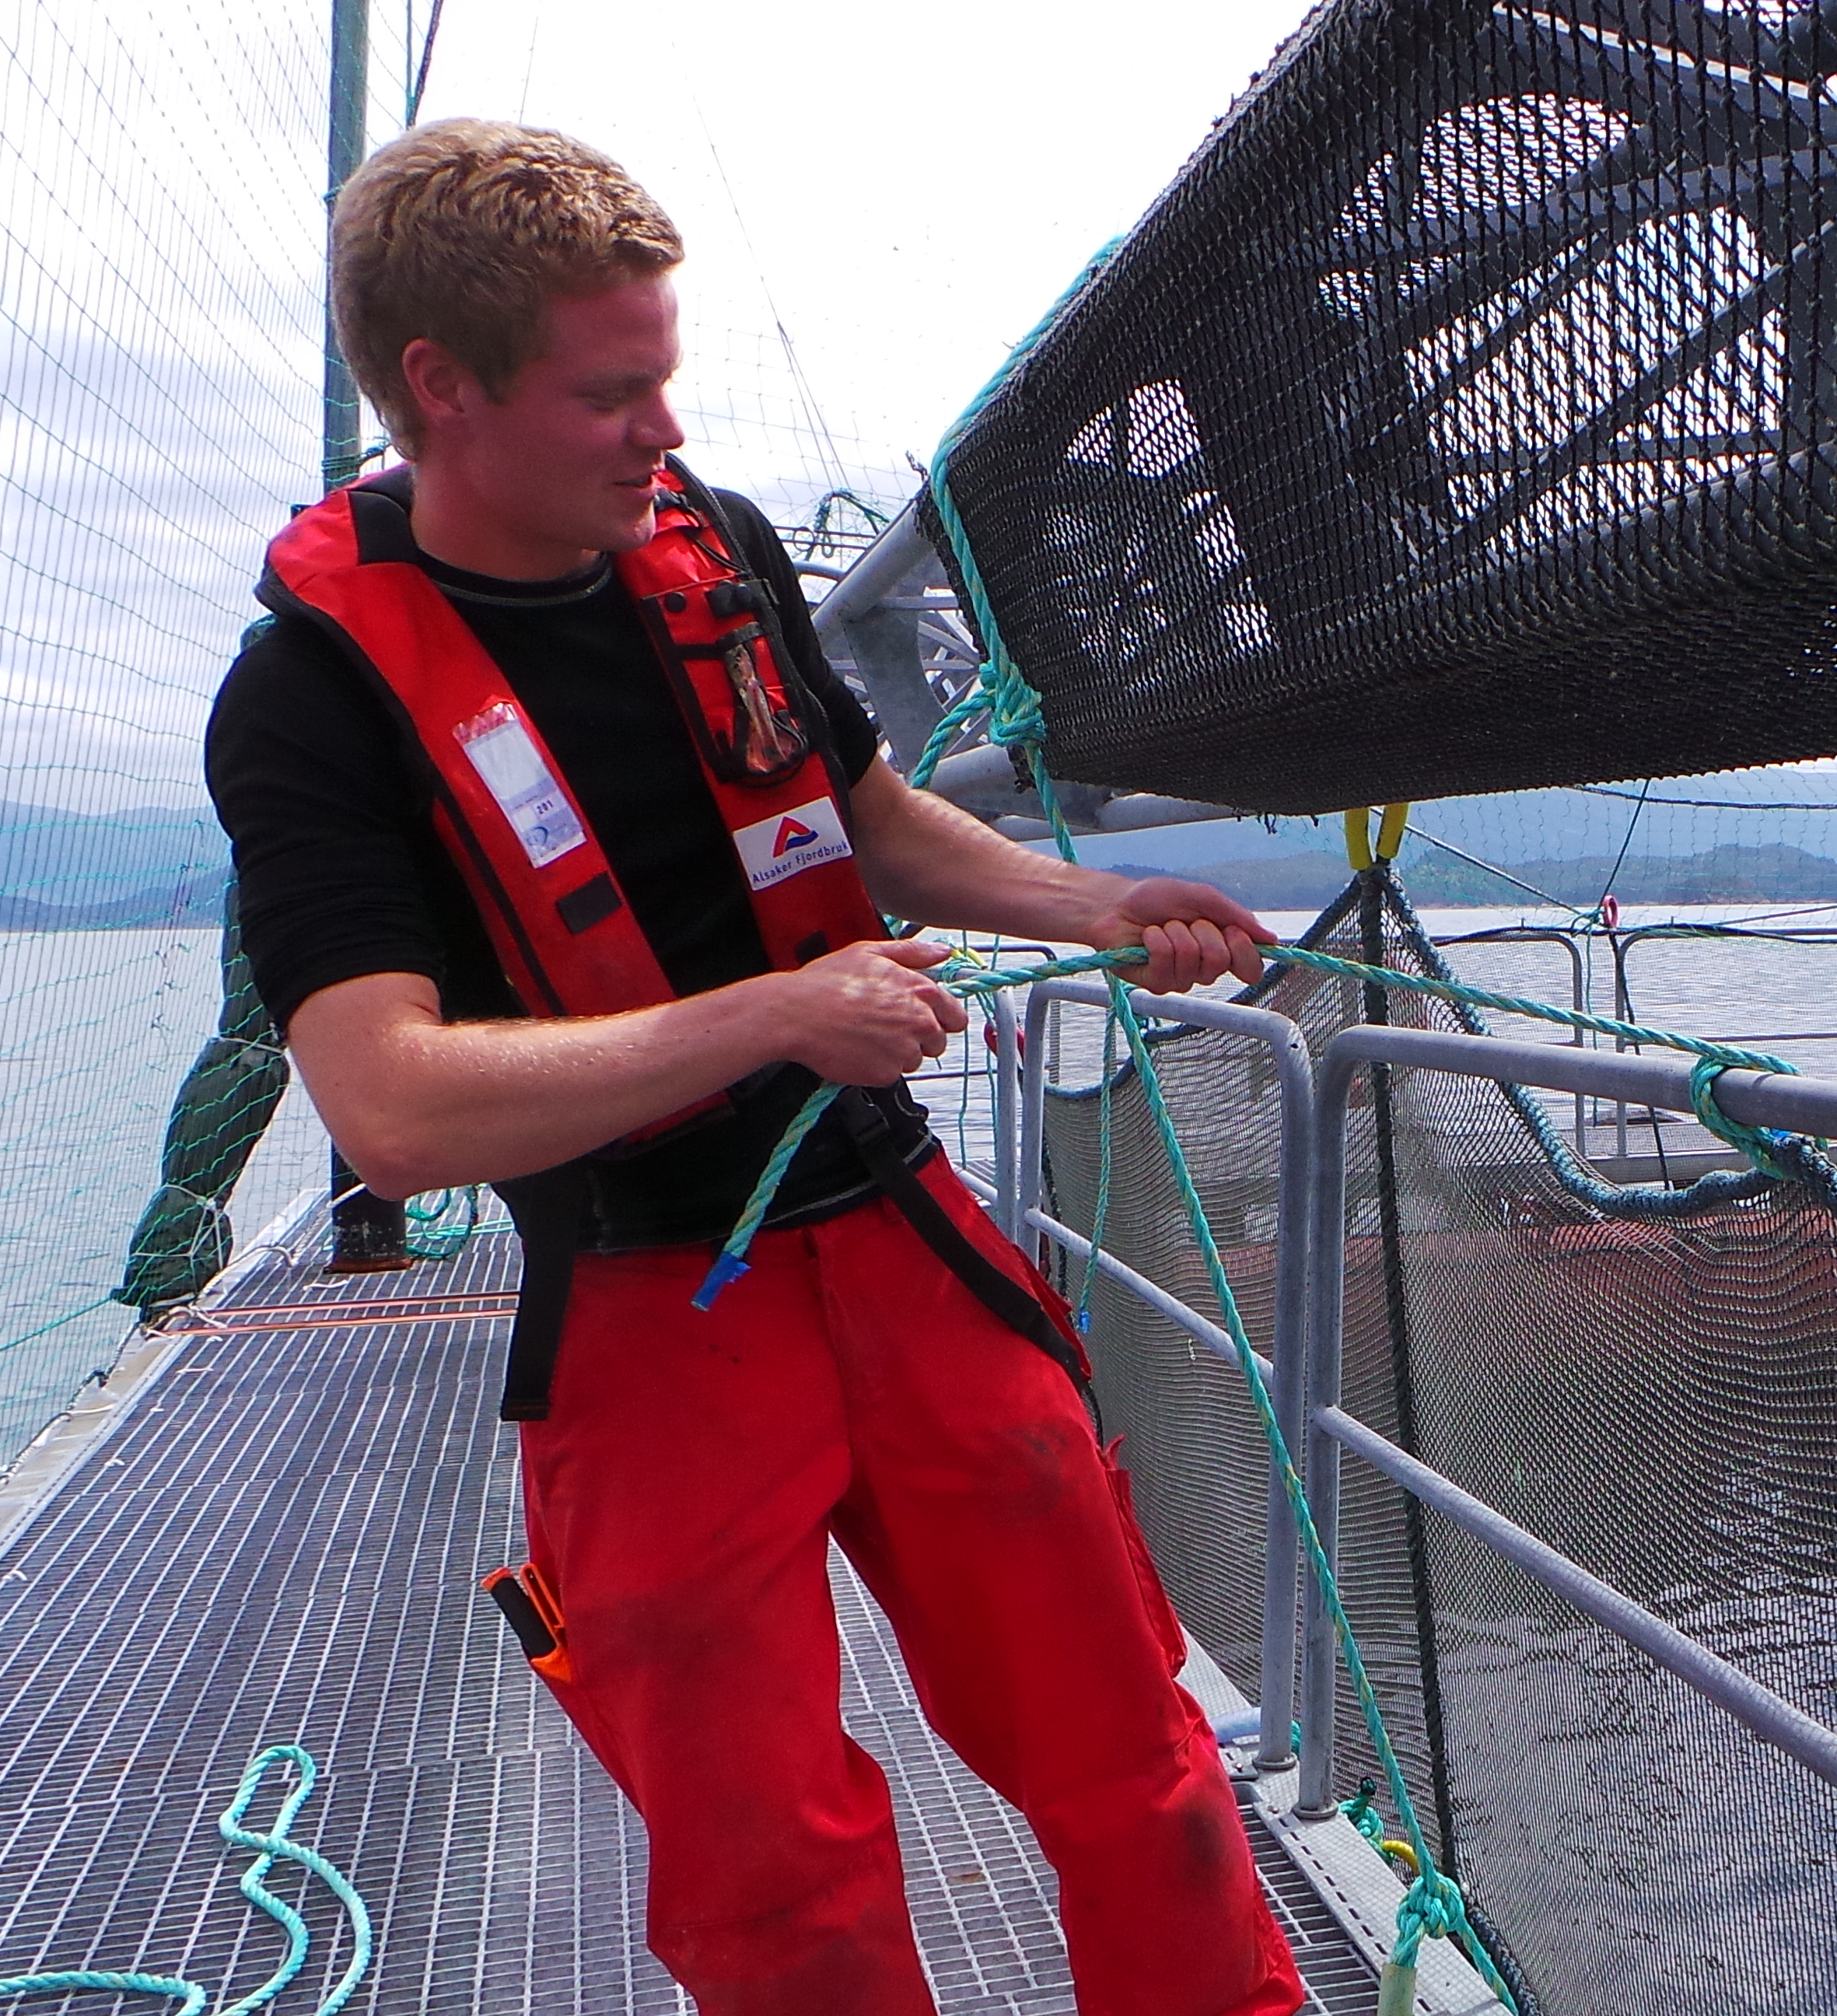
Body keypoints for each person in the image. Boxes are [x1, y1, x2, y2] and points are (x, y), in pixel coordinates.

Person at [205, 118, 1301, 2016]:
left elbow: (862, 813)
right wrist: (773, 1018)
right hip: (650, 1307)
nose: (659, 429)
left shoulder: (705, 558)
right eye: (611, 391)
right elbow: (387, 1102)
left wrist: (1093, 903)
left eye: (667, 379)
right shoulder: (311, 700)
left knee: (1137, 1759)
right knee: (764, 1870)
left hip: (899, 1241)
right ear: (443, 391)